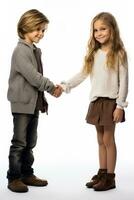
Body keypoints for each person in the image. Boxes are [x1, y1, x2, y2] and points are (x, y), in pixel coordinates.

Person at [61, 12, 128, 191]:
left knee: (108, 139)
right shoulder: (94, 53)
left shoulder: (119, 53)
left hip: (111, 102)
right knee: (100, 140)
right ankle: (102, 172)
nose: (98, 33)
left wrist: (120, 105)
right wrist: (66, 85)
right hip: (96, 102)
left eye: (103, 29)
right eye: (95, 30)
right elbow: (82, 74)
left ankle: (110, 178)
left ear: (112, 29)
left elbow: (124, 82)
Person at [7, 9, 62, 193]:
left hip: (33, 103)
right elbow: (33, 77)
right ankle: (14, 177)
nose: (41, 33)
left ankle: (26, 174)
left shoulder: (34, 50)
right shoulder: (20, 51)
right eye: (36, 29)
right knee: (19, 143)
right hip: (22, 104)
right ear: (24, 28)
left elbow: (35, 79)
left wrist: (44, 95)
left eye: (43, 30)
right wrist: (51, 87)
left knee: (30, 142)